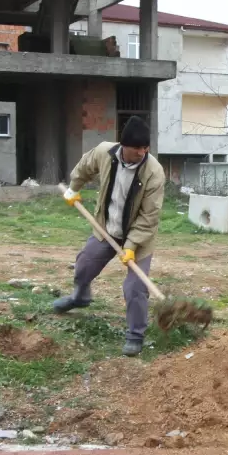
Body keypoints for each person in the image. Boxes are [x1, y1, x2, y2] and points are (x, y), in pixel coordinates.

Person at [55, 117, 165, 356]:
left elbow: (149, 216)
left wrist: (132, 245)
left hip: (139, 237)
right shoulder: (105, 153)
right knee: (84, 263)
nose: (142, 152)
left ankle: (135, 335)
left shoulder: (154, 172)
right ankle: (80, 296)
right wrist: (74, 188)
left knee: (135, 287)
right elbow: (84, 166)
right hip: (107, 228)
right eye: (137, 148)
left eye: (145, 148)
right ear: (124, 145)